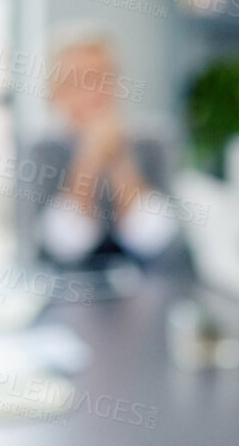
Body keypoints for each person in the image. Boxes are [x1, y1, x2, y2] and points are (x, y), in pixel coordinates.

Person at [21, 23, 185, 271]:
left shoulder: (152, 142)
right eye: (78, 82)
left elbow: (156, 241)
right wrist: (89, 159)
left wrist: (120, 159)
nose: (93, 94)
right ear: (54, 92)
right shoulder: (41, 151)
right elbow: (62, 248)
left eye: (103, 78)